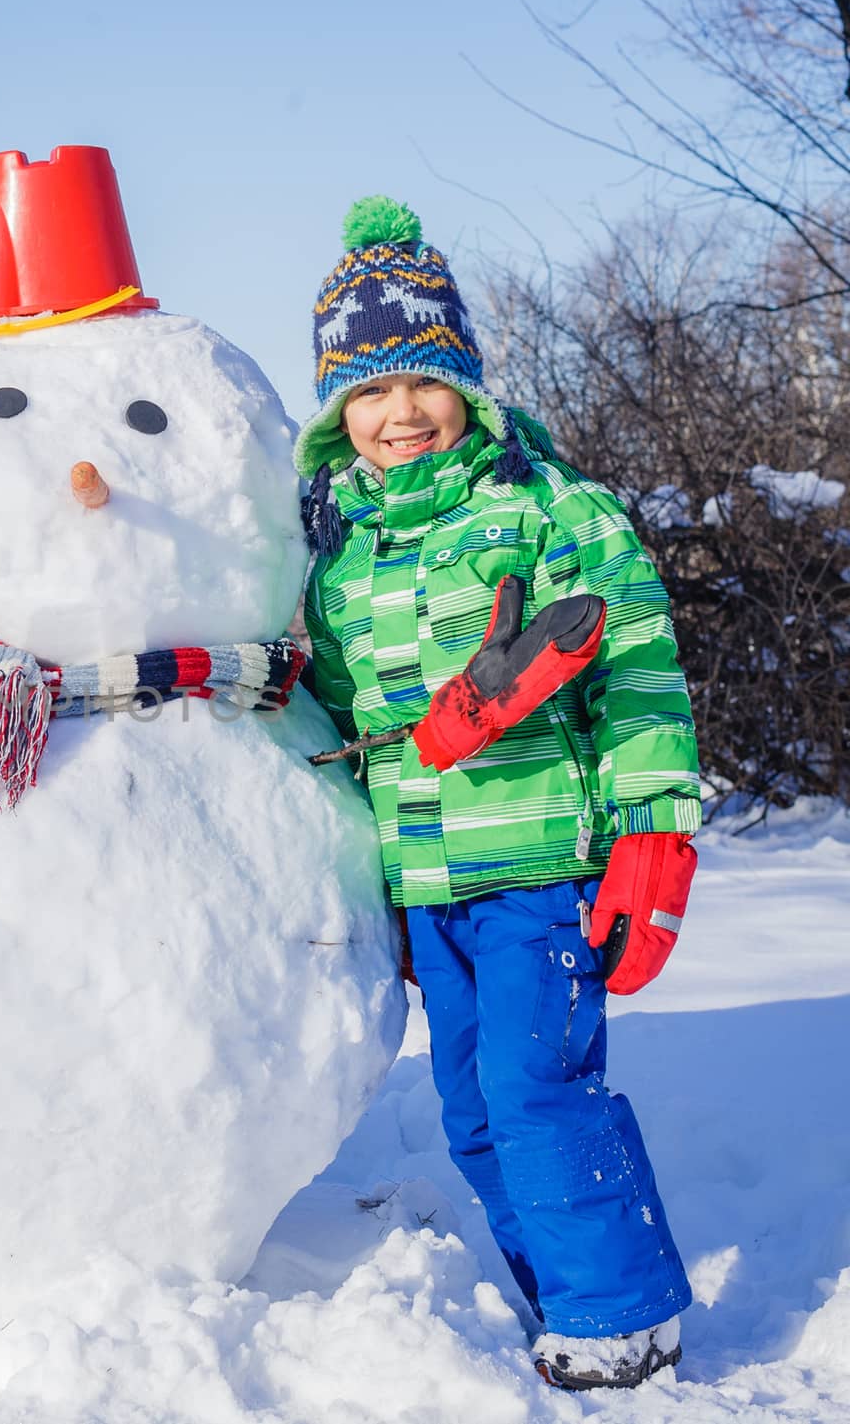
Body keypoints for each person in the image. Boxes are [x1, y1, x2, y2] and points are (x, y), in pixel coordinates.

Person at [298, 197, 701, 1390]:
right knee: (473, 1111)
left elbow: (638, 675)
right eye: (366, 393)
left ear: (464, 384)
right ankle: (567, 1301)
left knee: (537, 1090)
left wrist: (653, 830)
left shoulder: (547, 510)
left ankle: (620, 1314)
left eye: (420, 381)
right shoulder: (342, 556)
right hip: (430, 885)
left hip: (539, 870)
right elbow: (339, 714)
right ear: (339, 414)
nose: (397, 413)